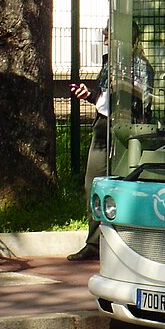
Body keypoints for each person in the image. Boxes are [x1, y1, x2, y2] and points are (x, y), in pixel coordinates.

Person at [67, 26, 109, 262]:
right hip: (103, 128)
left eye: (108, 36)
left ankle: (105, 242)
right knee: (93, 184)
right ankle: (95, 242)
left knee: (103, 184)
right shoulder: (109, 64)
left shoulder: (135, 64)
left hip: (122, 129)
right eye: (105, 36)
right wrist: (91, 95)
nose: (105, 40)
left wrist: (95, 98)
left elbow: (121, 100)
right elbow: (105, 100)